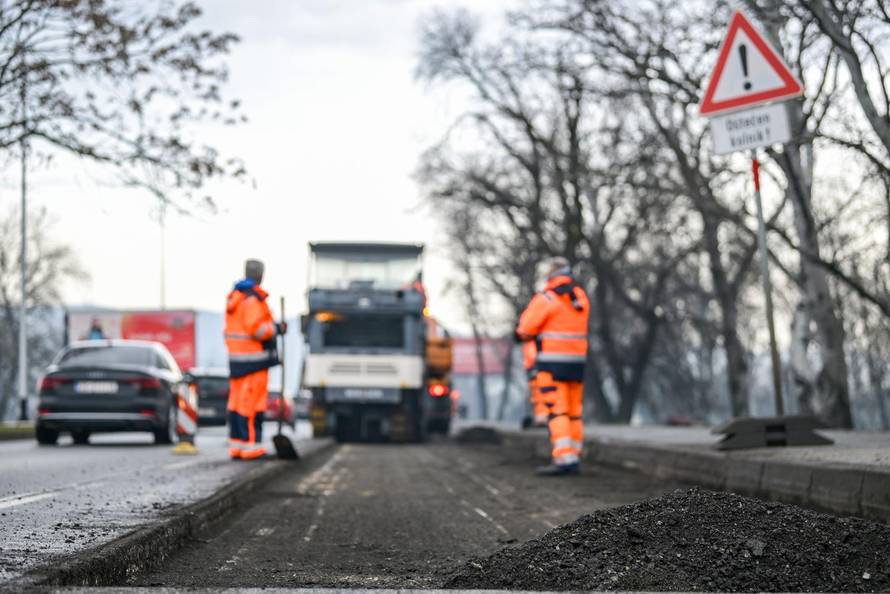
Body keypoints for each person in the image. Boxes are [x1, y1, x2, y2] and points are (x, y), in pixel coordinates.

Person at [516, 257, 589, 476]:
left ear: (551, 274)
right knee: (574, 413)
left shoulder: (547, 298)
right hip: (577, 364)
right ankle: (574, 455)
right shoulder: (580, 297)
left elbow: (525, 330)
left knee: (557, 412)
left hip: (551, 365)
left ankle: (564, 458)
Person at [224, 259, 286, 459]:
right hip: (254, 362)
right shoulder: (252, 300)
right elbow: (257, 330)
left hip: (238, 360)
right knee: (251, 405)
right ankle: (250, 446)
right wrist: (277, 328)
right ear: (260, 274)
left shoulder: (236, 297)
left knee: (236, 403)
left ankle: (237, 445)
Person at [523, 340, 548, 427]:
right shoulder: (530, 342)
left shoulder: (532, 342)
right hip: (533, 369)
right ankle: (541, 417)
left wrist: (535, 368)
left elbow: (533, 355)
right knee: (536, 395)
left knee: (539, 395)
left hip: (535, 369)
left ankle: (542, 418)